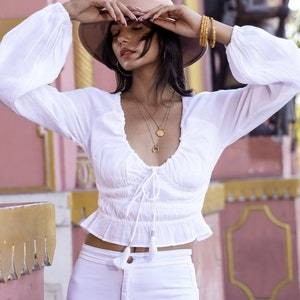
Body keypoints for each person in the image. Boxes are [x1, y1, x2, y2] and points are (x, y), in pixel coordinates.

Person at [0, 0, 299, 299]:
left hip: (171, 280)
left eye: (137, 28)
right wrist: (69, 11)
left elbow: (292, 73)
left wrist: (206, 27)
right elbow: (7, 82)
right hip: (96, 276)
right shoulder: (93, 110)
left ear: (166, 33)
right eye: (116, 32)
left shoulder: (215, 114)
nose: (122, 39)